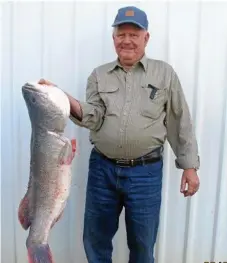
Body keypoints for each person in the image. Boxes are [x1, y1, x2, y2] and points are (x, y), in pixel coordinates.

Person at [39, 6, 200, 263]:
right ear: (113, 38)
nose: (127, 40)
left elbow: (180, 121)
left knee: (143, 244)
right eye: (121, 34)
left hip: (145, 173)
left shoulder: (164, 73)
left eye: (134, 34)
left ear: (146, 38)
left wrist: (189, 167)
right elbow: (92, 116)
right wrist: (60, 97)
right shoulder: (99, 75)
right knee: (96, 240)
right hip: (103, 169)